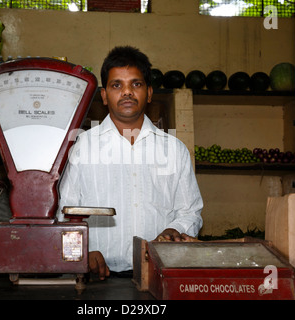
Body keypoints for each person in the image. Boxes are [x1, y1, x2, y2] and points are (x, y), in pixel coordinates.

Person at [58, 46, 203, 280]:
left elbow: (190, 211)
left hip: (159, 276)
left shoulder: (174, 150)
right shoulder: (82, 147)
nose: (127, 92)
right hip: (96, 278)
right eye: (117, 85)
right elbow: (65, 213)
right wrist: (82, 252)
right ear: (104, 96)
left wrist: (175, 231)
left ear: (149, 93)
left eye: (136, 84)